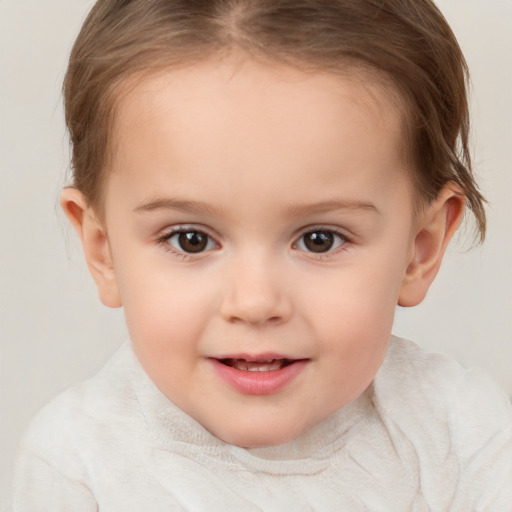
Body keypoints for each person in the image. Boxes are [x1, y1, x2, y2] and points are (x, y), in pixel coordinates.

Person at [11, 0, 512, 510]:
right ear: (105, 252)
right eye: (191, 239)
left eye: (320, 239)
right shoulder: (78, 464)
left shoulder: (462, 434)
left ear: (419, 249)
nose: (254, 302)